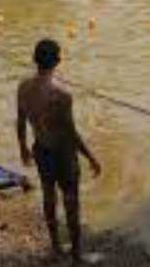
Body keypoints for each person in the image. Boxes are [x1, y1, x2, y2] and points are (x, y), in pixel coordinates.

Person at [17, 39, 101, 264]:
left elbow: (21, 120)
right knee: (71, 202)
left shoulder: (23, 87)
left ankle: (55, 247)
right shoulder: (62, 95)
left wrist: (23, 148)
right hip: (63, 156)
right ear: (58, 61)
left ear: (35, 60)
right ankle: (76, 255)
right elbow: (71, 134)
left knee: (48, 196)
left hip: (40, 150)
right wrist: (91, 157)